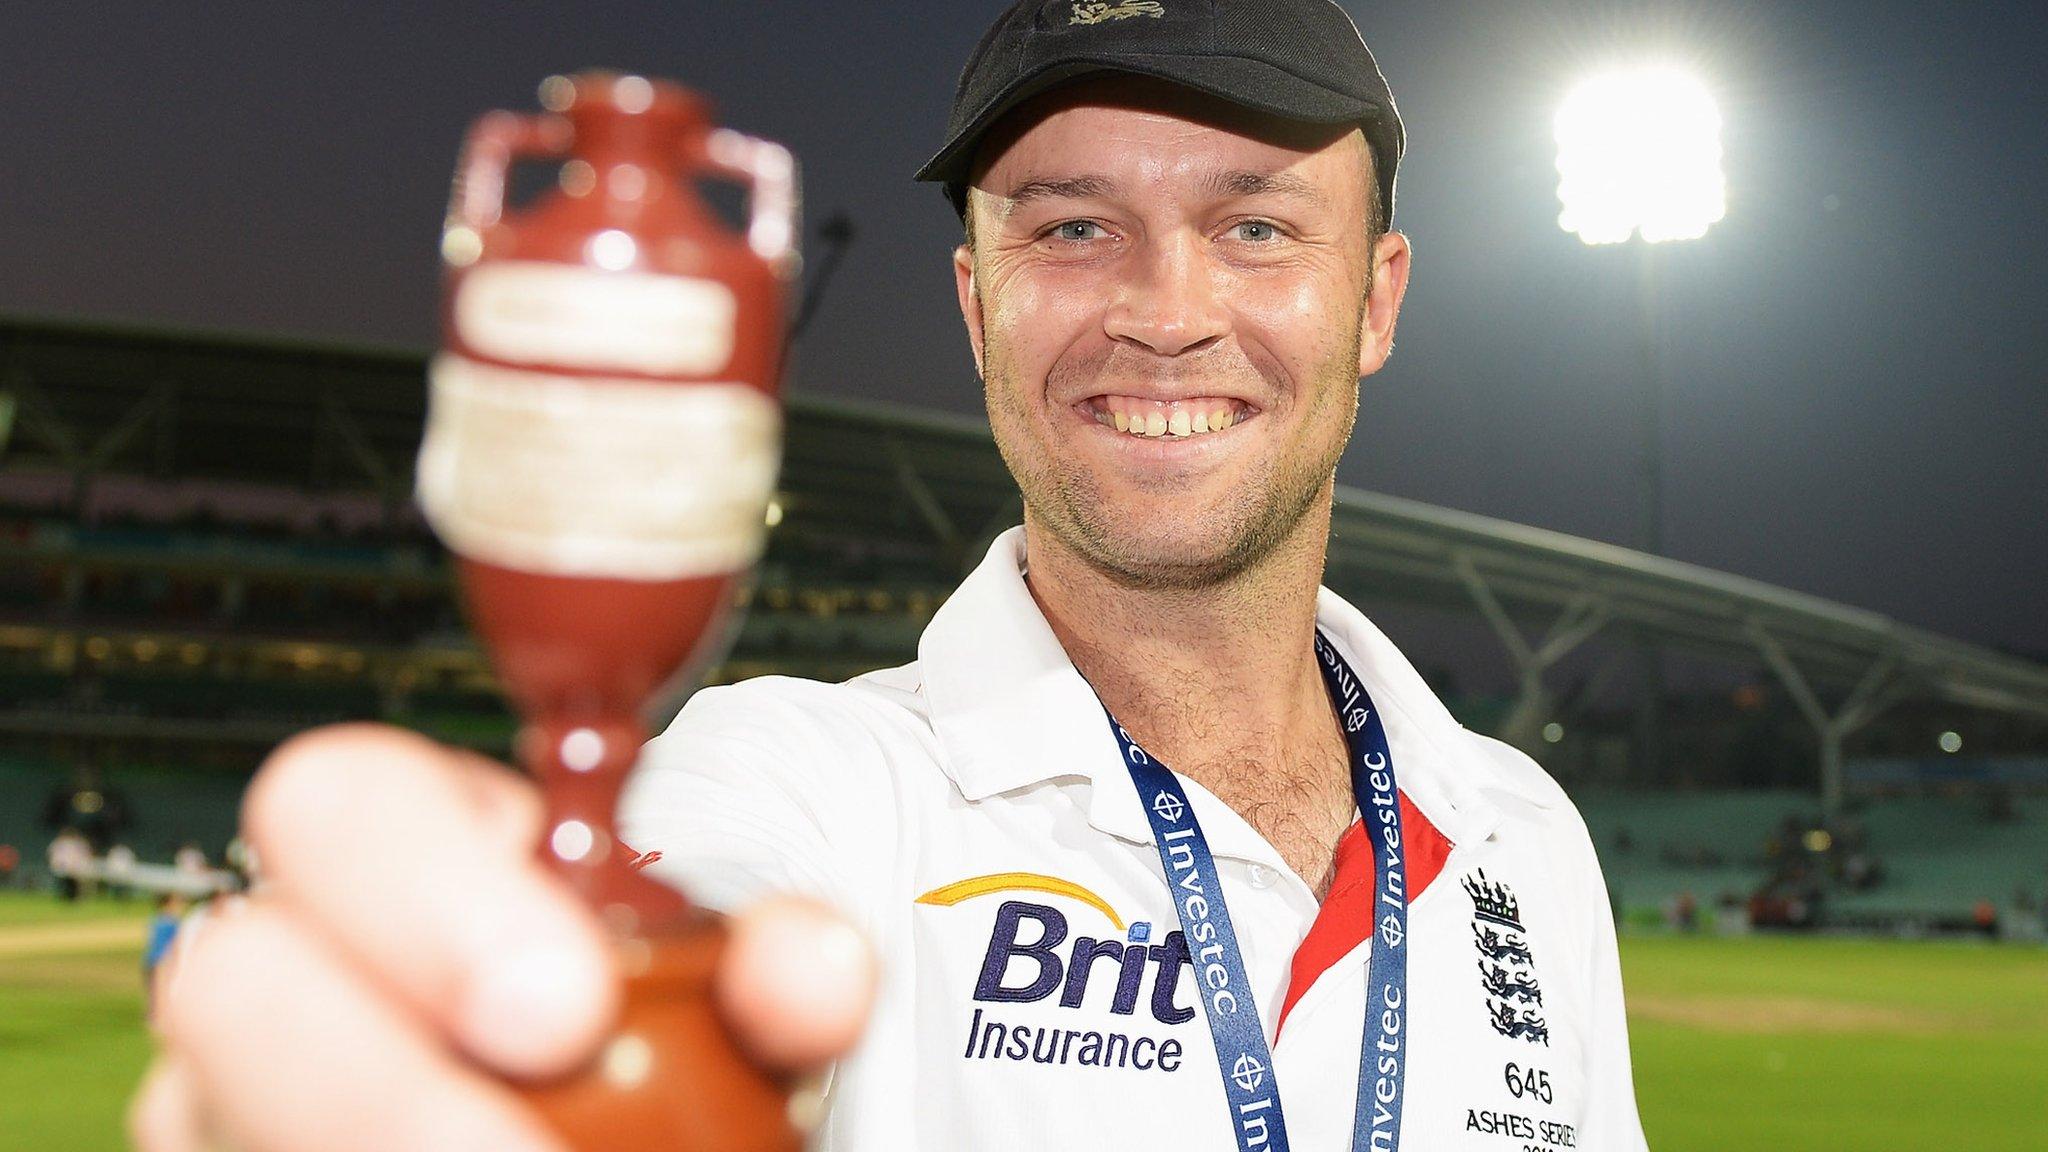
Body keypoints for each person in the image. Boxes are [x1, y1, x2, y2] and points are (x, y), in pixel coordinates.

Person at [133, 3, 1648, 1150]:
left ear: (1375, 298)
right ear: (977, 303)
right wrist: (494, 1030)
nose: (1164, 312)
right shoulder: (805, 782)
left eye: (1256, 227)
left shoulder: (1521, 831)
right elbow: (680, 937)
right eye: (1071, 228)